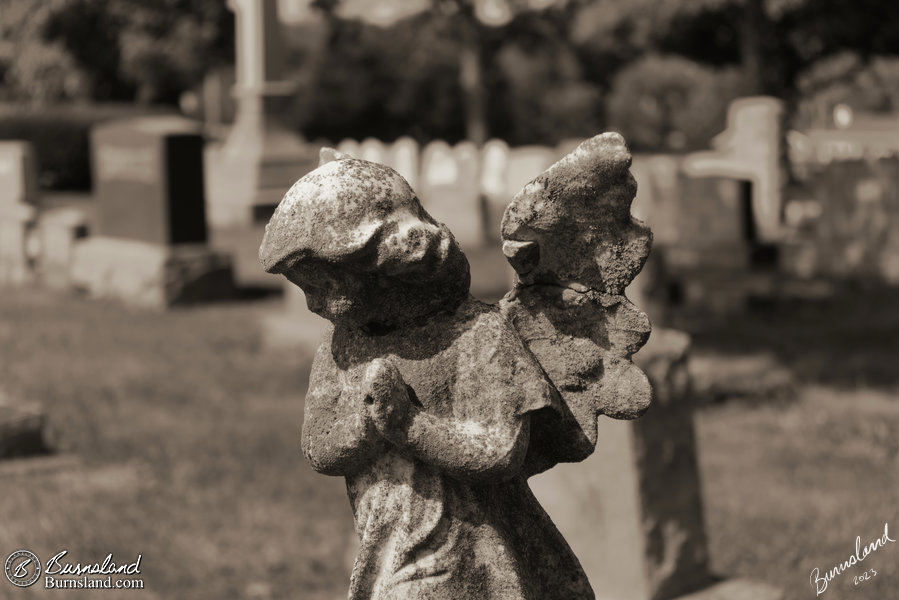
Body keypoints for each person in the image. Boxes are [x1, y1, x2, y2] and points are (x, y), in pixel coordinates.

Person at [259, 152, 593, 599]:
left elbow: (499, 450)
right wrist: (366, 425)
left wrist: (410, 426)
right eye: (305, 289)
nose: (313, 305)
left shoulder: (476, 334)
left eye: (322, 286)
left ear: (385, 262)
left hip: (466, 547)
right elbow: (319, 446)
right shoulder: (342, 346)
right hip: (385, 544)